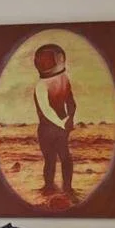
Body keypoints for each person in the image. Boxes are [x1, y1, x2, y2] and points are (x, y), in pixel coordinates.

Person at [32, 43, 77, 194]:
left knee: (55, 158)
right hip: (57, 126)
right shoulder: (61, 79)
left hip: (50, 128)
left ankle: (58, 187)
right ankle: (59, 187)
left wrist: (68, 119)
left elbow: (50, 110)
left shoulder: (45, 83)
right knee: (61, 158)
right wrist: (67, 120)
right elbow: (48, 109)